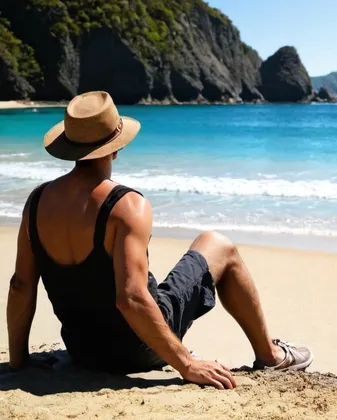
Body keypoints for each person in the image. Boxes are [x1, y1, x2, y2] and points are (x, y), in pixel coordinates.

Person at [6, 91, 313, 389]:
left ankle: (264, 353)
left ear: (70, 145)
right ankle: (270, 355)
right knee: (218, 244)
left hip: (83, 351)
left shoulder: (37, 202)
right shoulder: (126, 206)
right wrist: (187, 365)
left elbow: (21, 285)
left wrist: (19, 360)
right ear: (115, 147)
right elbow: (131, 299)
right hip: (139, 350)